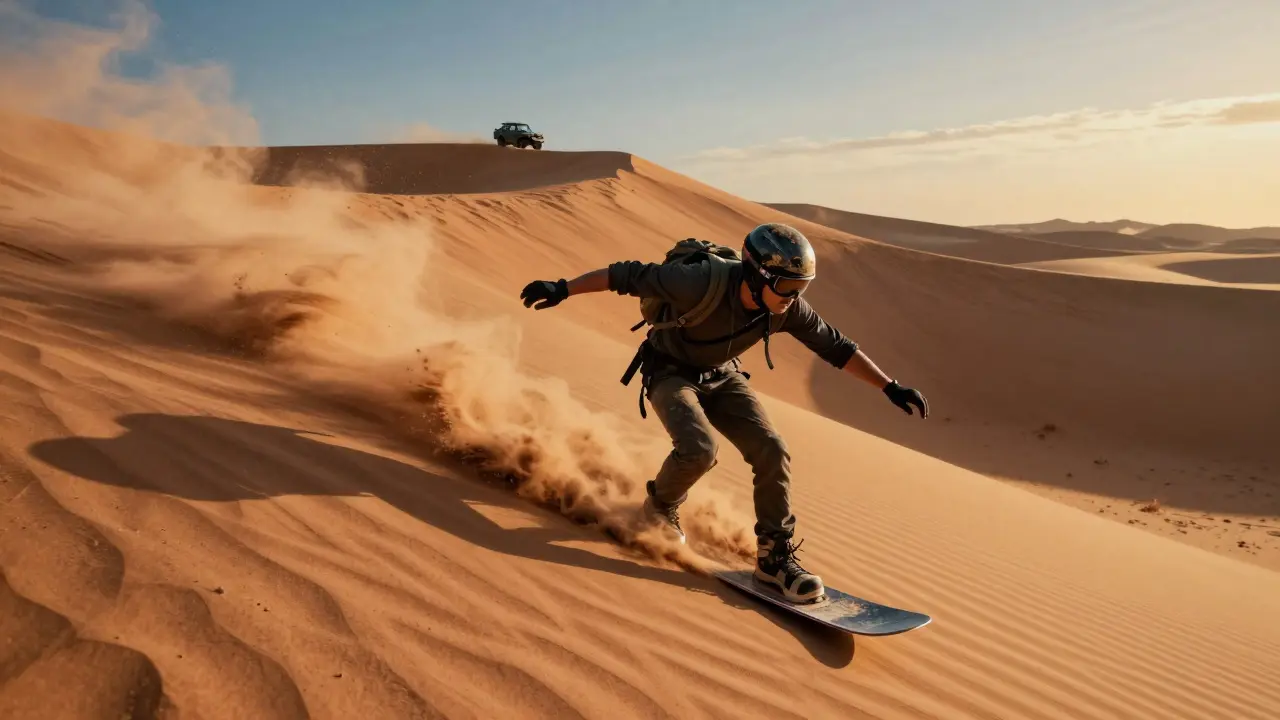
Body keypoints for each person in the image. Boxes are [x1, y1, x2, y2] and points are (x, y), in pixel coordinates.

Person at [519, 222, 928, 603]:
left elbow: (836, 347)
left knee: (771, 448)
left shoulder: (785, 308)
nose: (794, 297)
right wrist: (562, 288)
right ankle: (660, 506)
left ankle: (773, 560)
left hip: (722, 376)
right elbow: (624, 275)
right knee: (700, 449)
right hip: (669, 372)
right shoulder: (699, 282)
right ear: (758, 275)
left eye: (801, 287)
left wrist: (889, 386)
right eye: (787, 286)